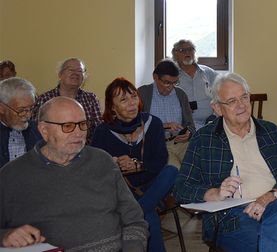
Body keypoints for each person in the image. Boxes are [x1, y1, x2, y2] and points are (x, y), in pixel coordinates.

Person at [0, 97, 148, 250]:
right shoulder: (12, 175)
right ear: (44, 130)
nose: (79, 133)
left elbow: (134, 220)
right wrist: (5, 236)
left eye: (83, 124)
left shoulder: (102, 161)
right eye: (68, 126)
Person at [175, 72, 277, 251]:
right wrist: (214, 193)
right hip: (229, 215)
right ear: (217, 108)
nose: (241, 105)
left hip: (273, 205)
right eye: (232, 101)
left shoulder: (271, 132)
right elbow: (181, 188)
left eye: (244, 97)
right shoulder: (204, 139)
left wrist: (270, 196)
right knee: (267, 238)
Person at [91, 78, 178, 252]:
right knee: (149, 217)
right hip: (123, 190)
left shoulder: (153, 123)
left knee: (171, 171)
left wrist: (138, 166)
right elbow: (96, 169)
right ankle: (140, 211)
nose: (131, 103)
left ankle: (134, 213)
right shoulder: (102, 131)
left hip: (151, 187)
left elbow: (160, 161)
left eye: (133, 97)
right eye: (123, 100)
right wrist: (115, 163)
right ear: (112, 107)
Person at [138, 59, 195, 168]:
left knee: (196, 167)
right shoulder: (143, 93)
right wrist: (162, 126)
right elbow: (135, 124)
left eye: (175, 82)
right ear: (155, 77)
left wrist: (188, 134)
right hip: (158, 145)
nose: (171, 87)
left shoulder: (180, 94)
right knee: (174, 171)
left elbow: (190, 124)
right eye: (166, 82)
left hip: (181, 143)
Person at [31, 58, 102, 141]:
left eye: (80, 71)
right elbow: (36, 130)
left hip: (84, 149)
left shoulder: (91, 99)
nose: (75, 73)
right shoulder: (45, 99)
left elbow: (98, 131)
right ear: (60, 74)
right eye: (71, 70)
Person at [171, 39, 218, 129]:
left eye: (190, 49)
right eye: (182, 50)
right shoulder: (172, 75)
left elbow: (222, 92)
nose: (187, 52)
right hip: (183, 124)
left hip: (211, 122)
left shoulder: (208, 72)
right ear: (175, 54)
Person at [0, 77, 41, 168]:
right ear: (2, 108)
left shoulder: (38, 130)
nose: (28, 115)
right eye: (21, 110)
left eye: (31, 108)